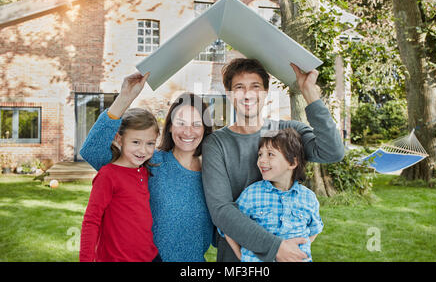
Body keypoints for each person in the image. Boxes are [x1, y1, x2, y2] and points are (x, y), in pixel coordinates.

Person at [201, 58, 345, 262]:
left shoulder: (287, 132)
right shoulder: (216, 144)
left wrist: (309, 93)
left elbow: (333, 151)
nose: (248, 94)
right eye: (239, 87)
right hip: (236, 257)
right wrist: (276, 247)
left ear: (266, 93)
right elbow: (221, 210)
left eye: (255, 87)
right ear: (229, 94)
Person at [79, 72, 214, 262]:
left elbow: (221, 230)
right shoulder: (149, 163)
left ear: (205, 129)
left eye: (196, 124)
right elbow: (93, 151)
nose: (188, 131)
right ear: (169, 127)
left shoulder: (213, 174)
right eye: (181, 123)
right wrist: (124, 98)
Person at [223, 128, 323, 262]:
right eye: (260, 154)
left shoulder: (308, 198)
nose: (261, 161)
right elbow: (229, 225)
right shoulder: (252, 194)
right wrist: (242, 256)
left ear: (292, 162)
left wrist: (302, 247)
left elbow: (315, 229)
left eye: (270, 154)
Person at [79, 107, 160, 262]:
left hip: (149, 257)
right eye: (136, 142)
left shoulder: (143, 172)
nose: (143, 150)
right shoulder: (108, 175)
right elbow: (91, 220)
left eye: (150, 143)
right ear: (119, 139)